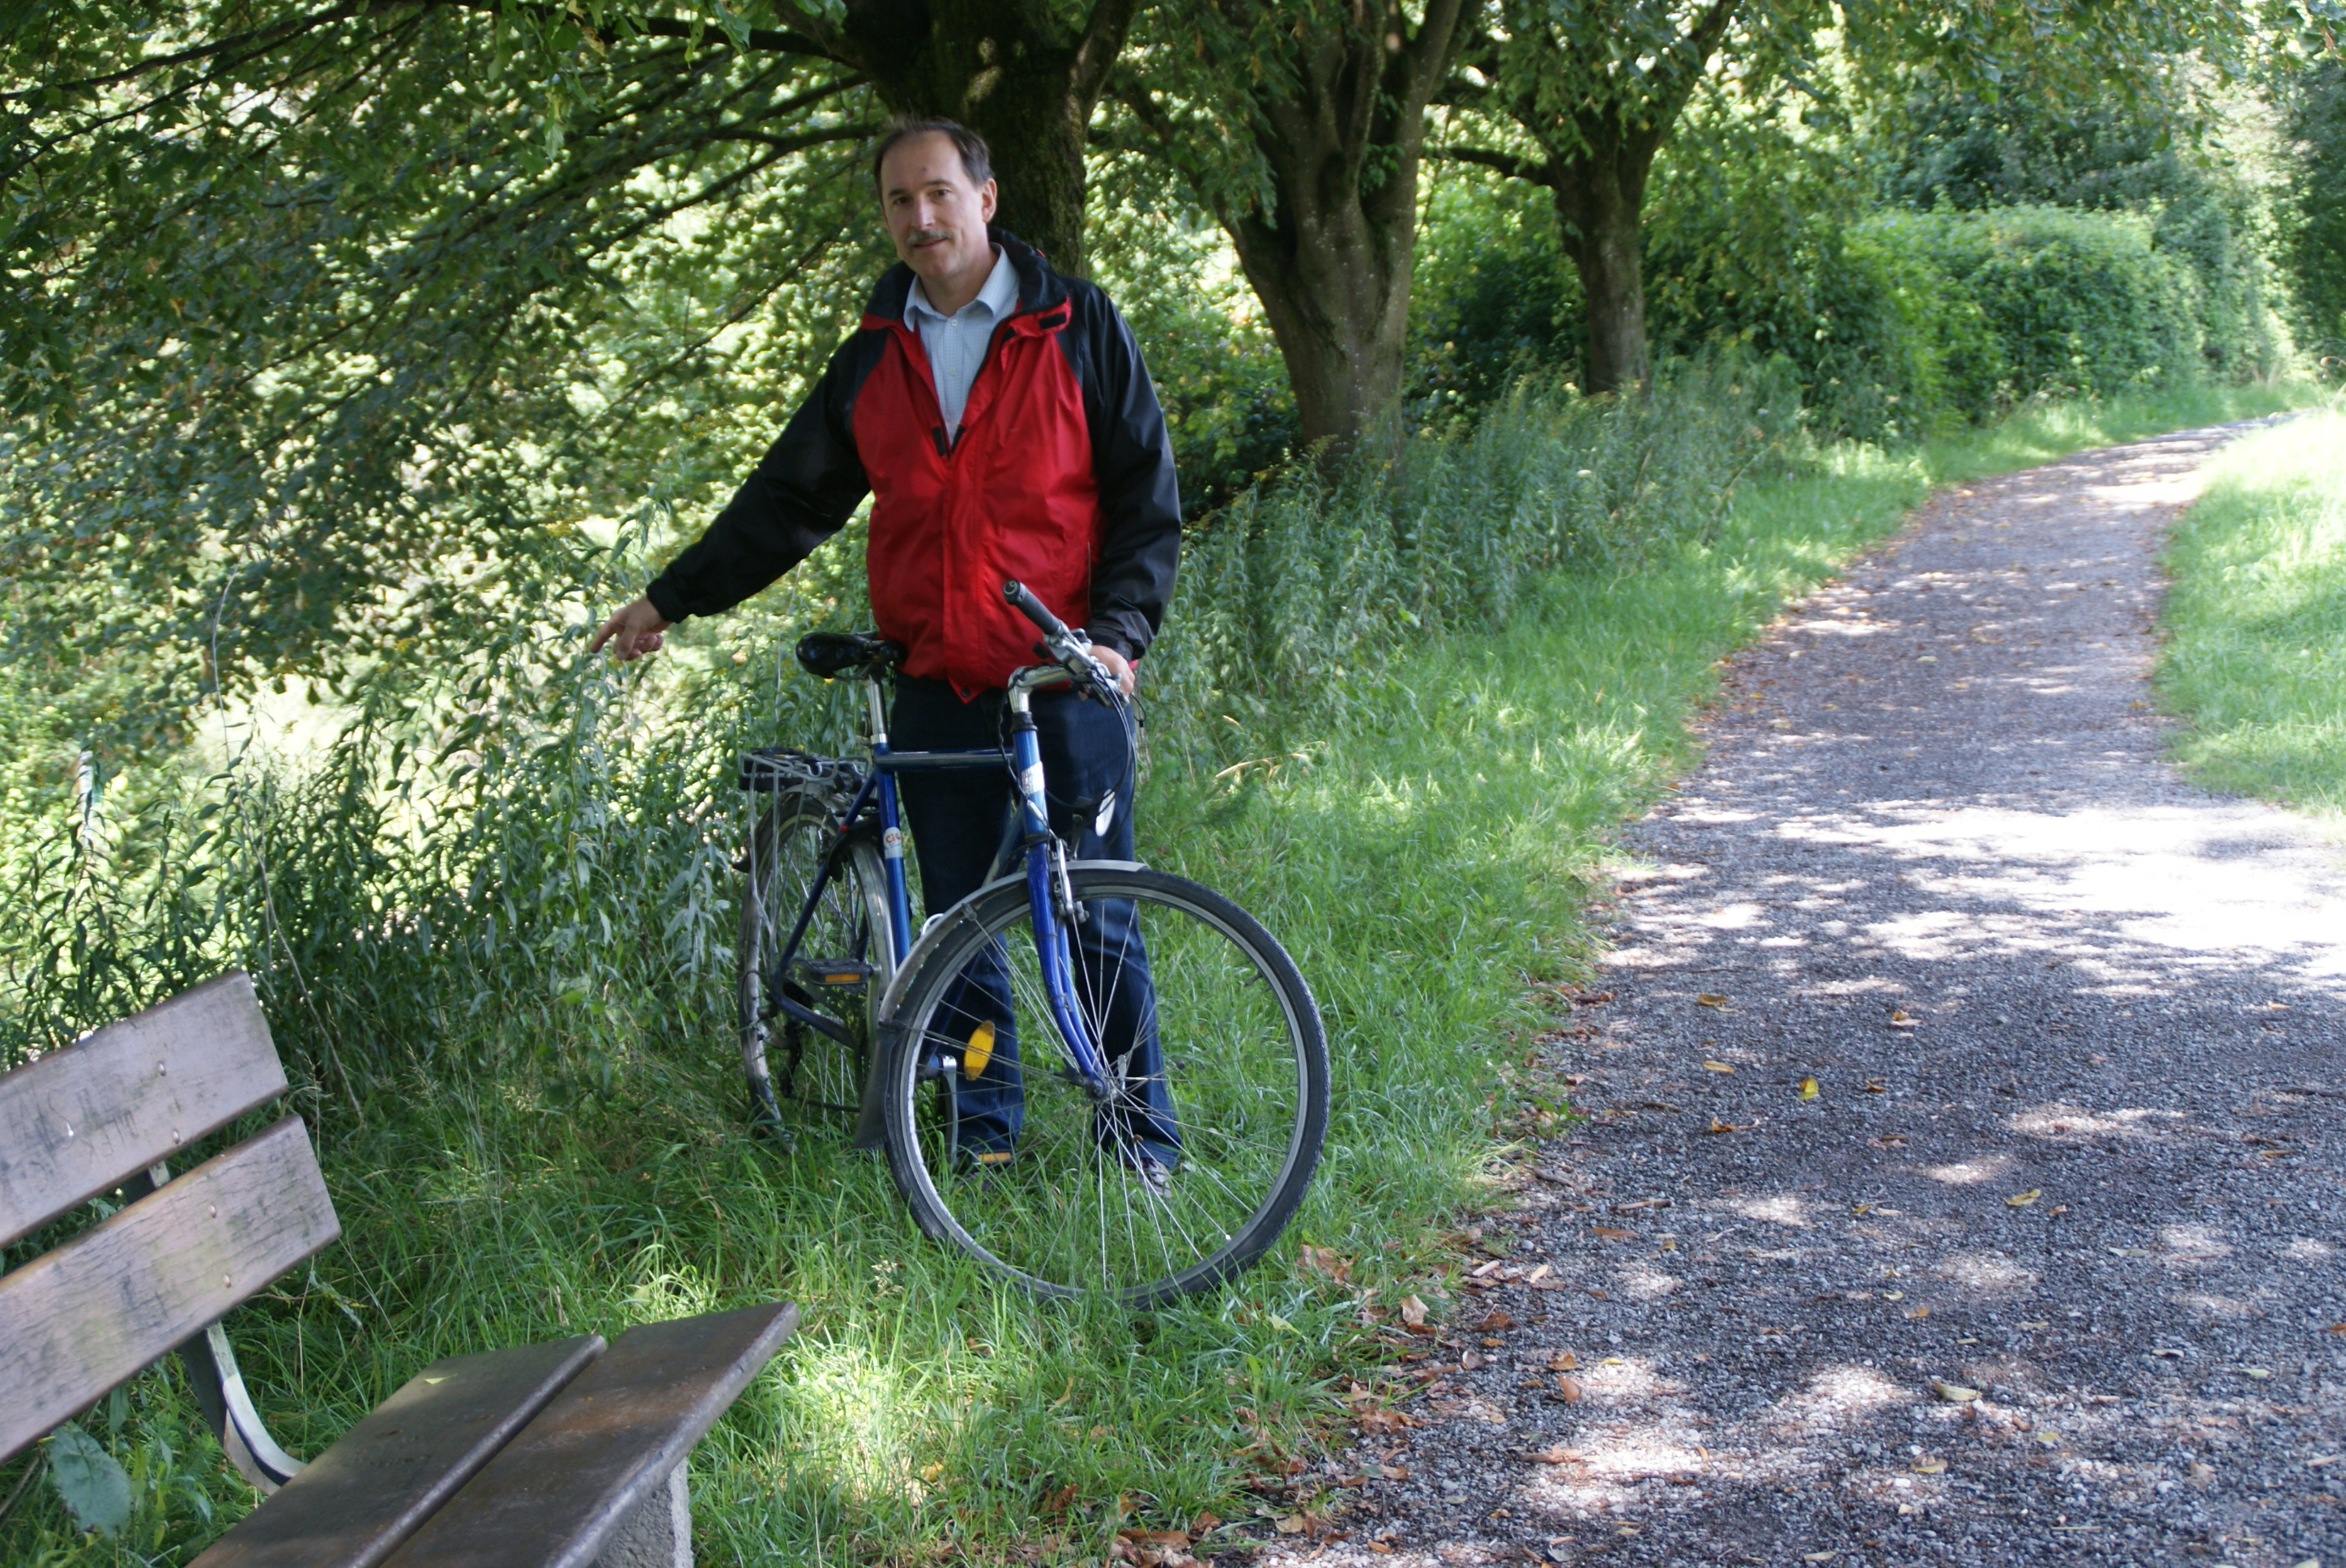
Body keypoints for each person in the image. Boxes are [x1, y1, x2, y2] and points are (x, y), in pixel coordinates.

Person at [591, 117, 1181, 1179]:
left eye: (940, 193)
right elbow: (788, 501)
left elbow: (1146, 499)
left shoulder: (1077, 326)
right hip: (941, 683)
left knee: (1093, 914)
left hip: (1062, 673)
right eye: (900, 200)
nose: (921, 216)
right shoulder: (874, 357)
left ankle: (1138, 1141)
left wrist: (1120, 637)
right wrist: (672, 598)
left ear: (985, 199)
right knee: (957, 929)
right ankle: (984, 1137)